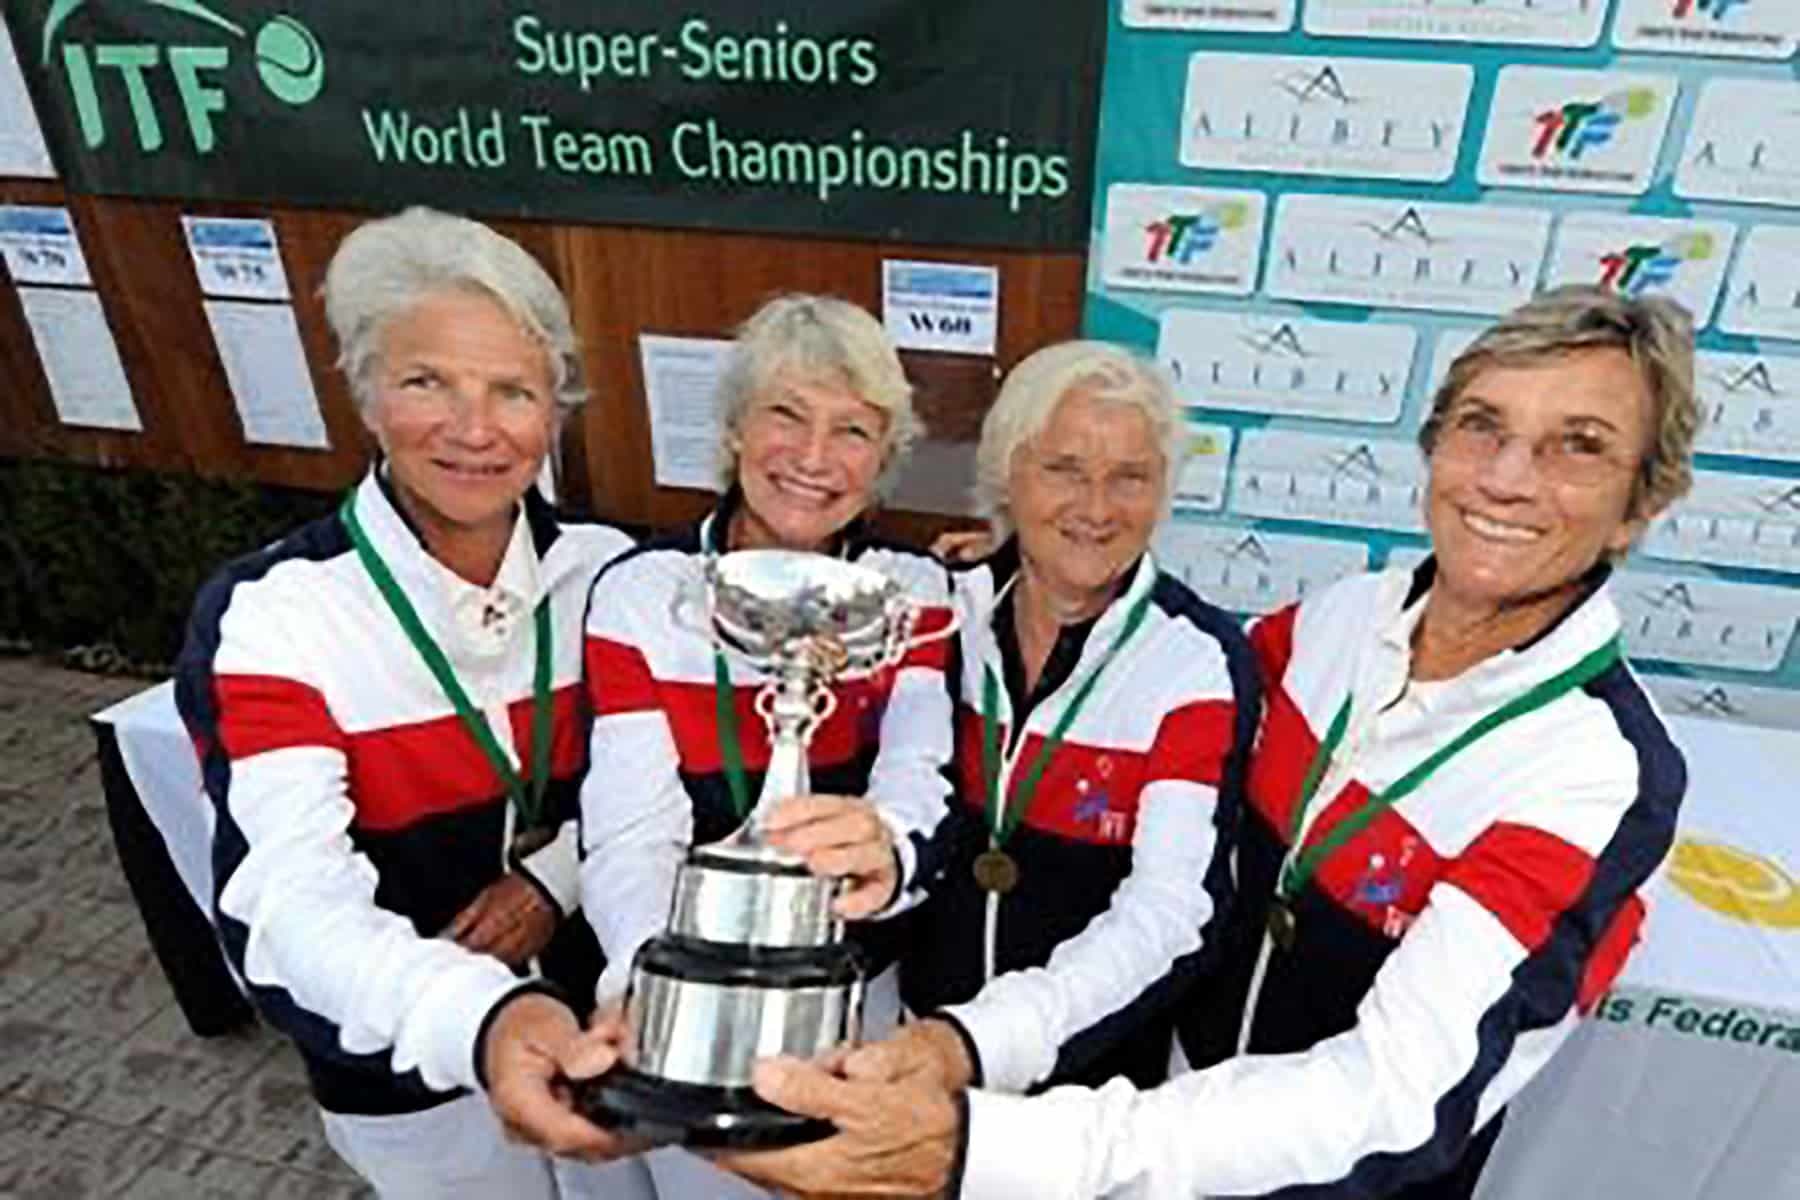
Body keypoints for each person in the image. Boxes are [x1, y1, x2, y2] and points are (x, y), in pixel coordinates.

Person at [703, 283, 1697, 1198]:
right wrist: (1008, 553)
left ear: (1639, 506)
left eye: (1580, 445)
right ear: (1436, 447)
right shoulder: (1329, 627)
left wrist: (987, 1142)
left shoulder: (1599, 777)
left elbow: (1393, 1098)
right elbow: (1110, 654)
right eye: (1484, 427)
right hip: (1148, 1129)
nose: (1511, 479)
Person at [173, 207, 648, 1198]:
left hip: (608, 1030)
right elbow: (286, 907)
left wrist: (552, 879)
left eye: (512, 391)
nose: (474, 430)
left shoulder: (612, 575)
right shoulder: (276, 612)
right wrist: (480, 1018)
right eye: (428, 381)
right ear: (368, 396)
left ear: (552, 413)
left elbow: (661, 791)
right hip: (407, 1077)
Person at [576, 293, 959, 1195]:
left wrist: (885, 853)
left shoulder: (915, 595)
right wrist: (654, 985)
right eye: (786, 414)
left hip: (854, 992)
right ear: (736, 428)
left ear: (884, 459)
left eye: (853, 431)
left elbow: (919, 784)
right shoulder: (644, 593)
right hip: (681, 998)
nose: (815, 458)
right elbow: (630, 835)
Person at [856, 340, 1257, 1098]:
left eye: (1129, 477)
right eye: (1064, 469)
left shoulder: (1195, 661)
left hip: (1090, 1086)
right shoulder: (941, 613)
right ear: (1008, 474)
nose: (1096, 508)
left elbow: (1172, 908)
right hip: (915, 1047)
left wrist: (987, 1039)